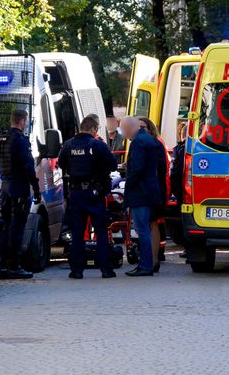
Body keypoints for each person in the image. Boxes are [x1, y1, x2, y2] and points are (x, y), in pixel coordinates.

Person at [58, 114, 118, 279]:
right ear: (92, 129)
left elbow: (62, 164)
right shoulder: (97, 145)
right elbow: (113, 165)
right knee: (101, 231)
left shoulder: (68, 145)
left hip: (76, 193)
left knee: (77, 233)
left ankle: (76, 270)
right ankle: (106, 269)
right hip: (94, 193)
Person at [0, 108, 40, 280]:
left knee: (6, 226)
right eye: (26, 121)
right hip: (19, 187)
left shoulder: (0, 139)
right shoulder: (20, 140)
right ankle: (14, 265)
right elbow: (28, 167)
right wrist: (36, 189)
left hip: (4, 186)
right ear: (22, 121)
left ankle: (2, 265)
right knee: (17, 227)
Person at [120, 115, 167, 276]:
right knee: (145, 228)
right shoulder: (148, 139)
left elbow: (138, 169)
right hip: (149, 190)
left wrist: (129, 184)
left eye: (123, 130)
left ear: (128, 128)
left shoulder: (138, 142)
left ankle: (145, 265)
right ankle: (146, 263)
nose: (123, 133)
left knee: (142, 229)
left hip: (140, 192)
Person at [140, 117, 170, 272]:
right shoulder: (147, 143)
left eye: (142, 126)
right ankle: (150, 259)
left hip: (154, 190)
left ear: (149, 128)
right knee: (149, 224)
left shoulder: (154, 144)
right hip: (149, 189)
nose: (139, 129)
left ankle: (153, 259)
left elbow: (159, 170)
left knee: (152, 224)